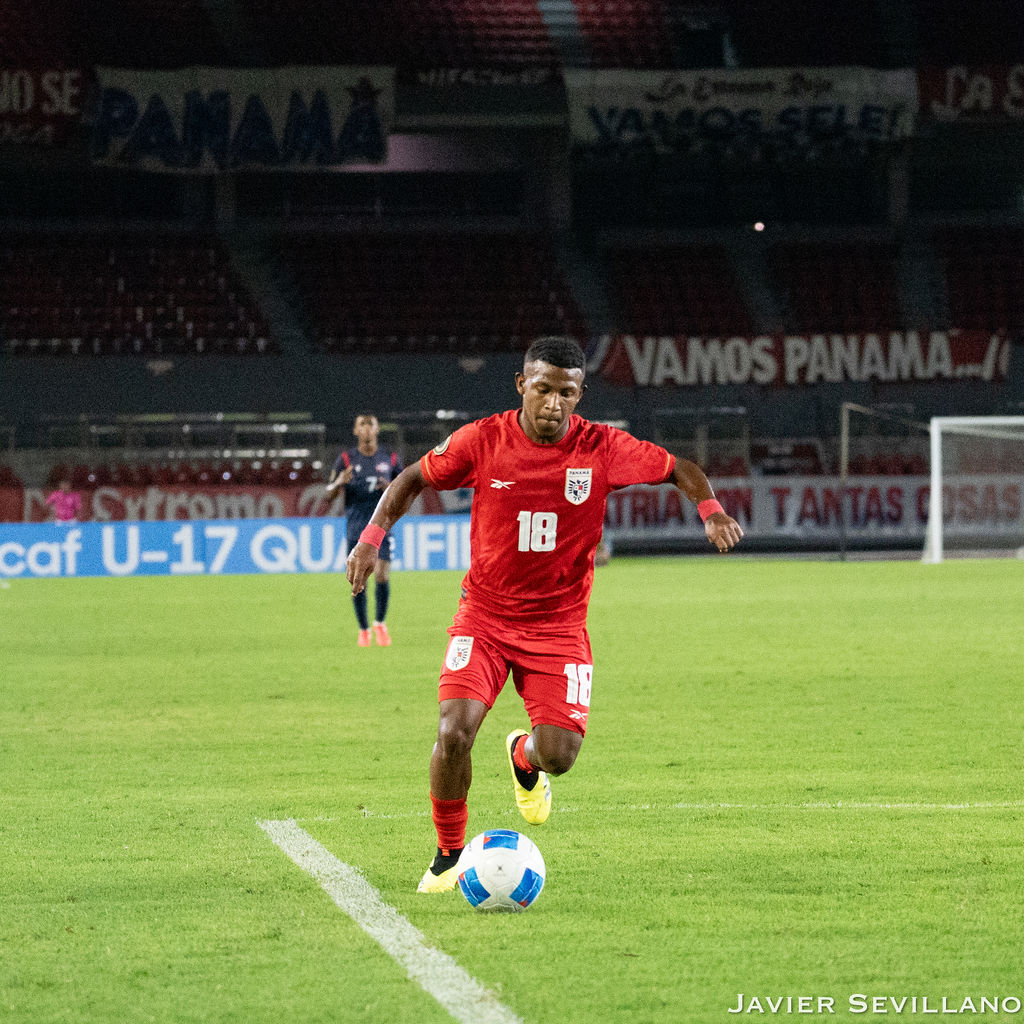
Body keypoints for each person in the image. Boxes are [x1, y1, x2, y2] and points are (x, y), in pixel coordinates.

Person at [346, 337, 744, 892]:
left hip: (558, 629)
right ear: (521, 386)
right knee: (453, 731)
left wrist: (711, 509)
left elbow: (682, 468)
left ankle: (524, 756)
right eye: (543, 389)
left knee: (559, 756)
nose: (554, 403)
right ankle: (447, 855)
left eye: (567, 392)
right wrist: (370, 540)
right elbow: (412, 477)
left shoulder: (602, 447)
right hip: (483, 617)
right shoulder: (482, 440)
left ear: (580, 396)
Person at [328, 412, 403, 646]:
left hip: (382, 527)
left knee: (382, 574)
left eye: (371, 424)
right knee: (358, 580)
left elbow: (404, 492)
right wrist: (340, 482)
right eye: (363, 424)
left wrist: (390, 488)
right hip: (356, 529)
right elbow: (328, 494)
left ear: (378, 430)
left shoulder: (390, 459)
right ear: (356, 431)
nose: (367, 428)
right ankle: (363, 629)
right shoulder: (346, 460)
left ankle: (379, 623)